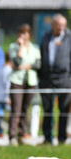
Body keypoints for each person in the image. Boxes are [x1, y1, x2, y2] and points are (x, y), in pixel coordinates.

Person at [39, 14, 71, 145]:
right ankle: (47, 138)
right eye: (59, 25)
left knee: (64, 109)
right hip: (47, 78)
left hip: (64, 78)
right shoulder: (46, 37)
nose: (61, 28)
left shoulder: (69, 37)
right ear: (53, 25)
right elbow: (41, 53)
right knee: (47, 109)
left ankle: (62, 138)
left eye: (63, 25)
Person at [8, 24, 41, 146]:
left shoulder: (35, 48)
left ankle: (21, 134)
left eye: (25, 33)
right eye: (20, 33)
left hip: (30, 81)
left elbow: (37, 65)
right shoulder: (13, 47)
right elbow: (17, 61)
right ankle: (12, 136)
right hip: (17, 81)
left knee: (25, 109)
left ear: (29, 34)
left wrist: (22, 67)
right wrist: (21, 46)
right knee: (16, 109)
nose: (22, 35)